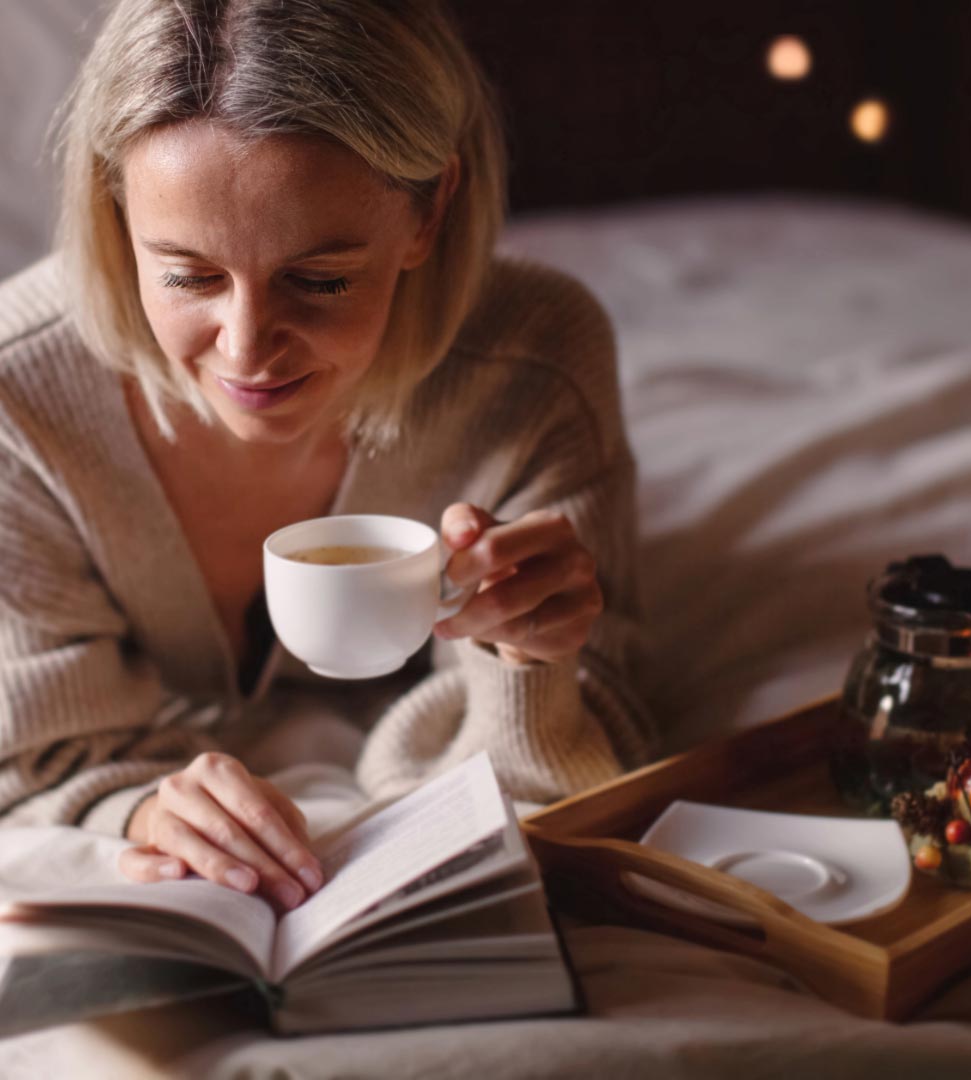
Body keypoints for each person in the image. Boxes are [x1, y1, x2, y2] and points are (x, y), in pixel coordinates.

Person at [0, 0, 651, 914]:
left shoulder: (535, 367)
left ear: (430, 210)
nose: (247, 350)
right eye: (189, 276)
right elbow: (27, 752)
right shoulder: (17, 403)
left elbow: (604, 734)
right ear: (116, 211)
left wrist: (529, 662)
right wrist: (142, 806)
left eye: (321, 279)